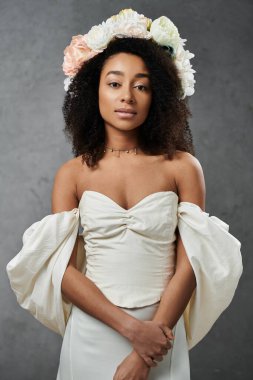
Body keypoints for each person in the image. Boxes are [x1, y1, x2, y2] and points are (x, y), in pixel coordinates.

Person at [6, 9, 243, 380]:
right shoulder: (72, 175)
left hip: (162, 333)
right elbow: (62, 269)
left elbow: (192, 263)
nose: (127, 97)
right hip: (94, 330)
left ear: (158, 95)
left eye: (142, 85)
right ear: (92, 91)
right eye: (114, 84)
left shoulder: (182, 167)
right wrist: (133, 330)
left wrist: (148, 346)